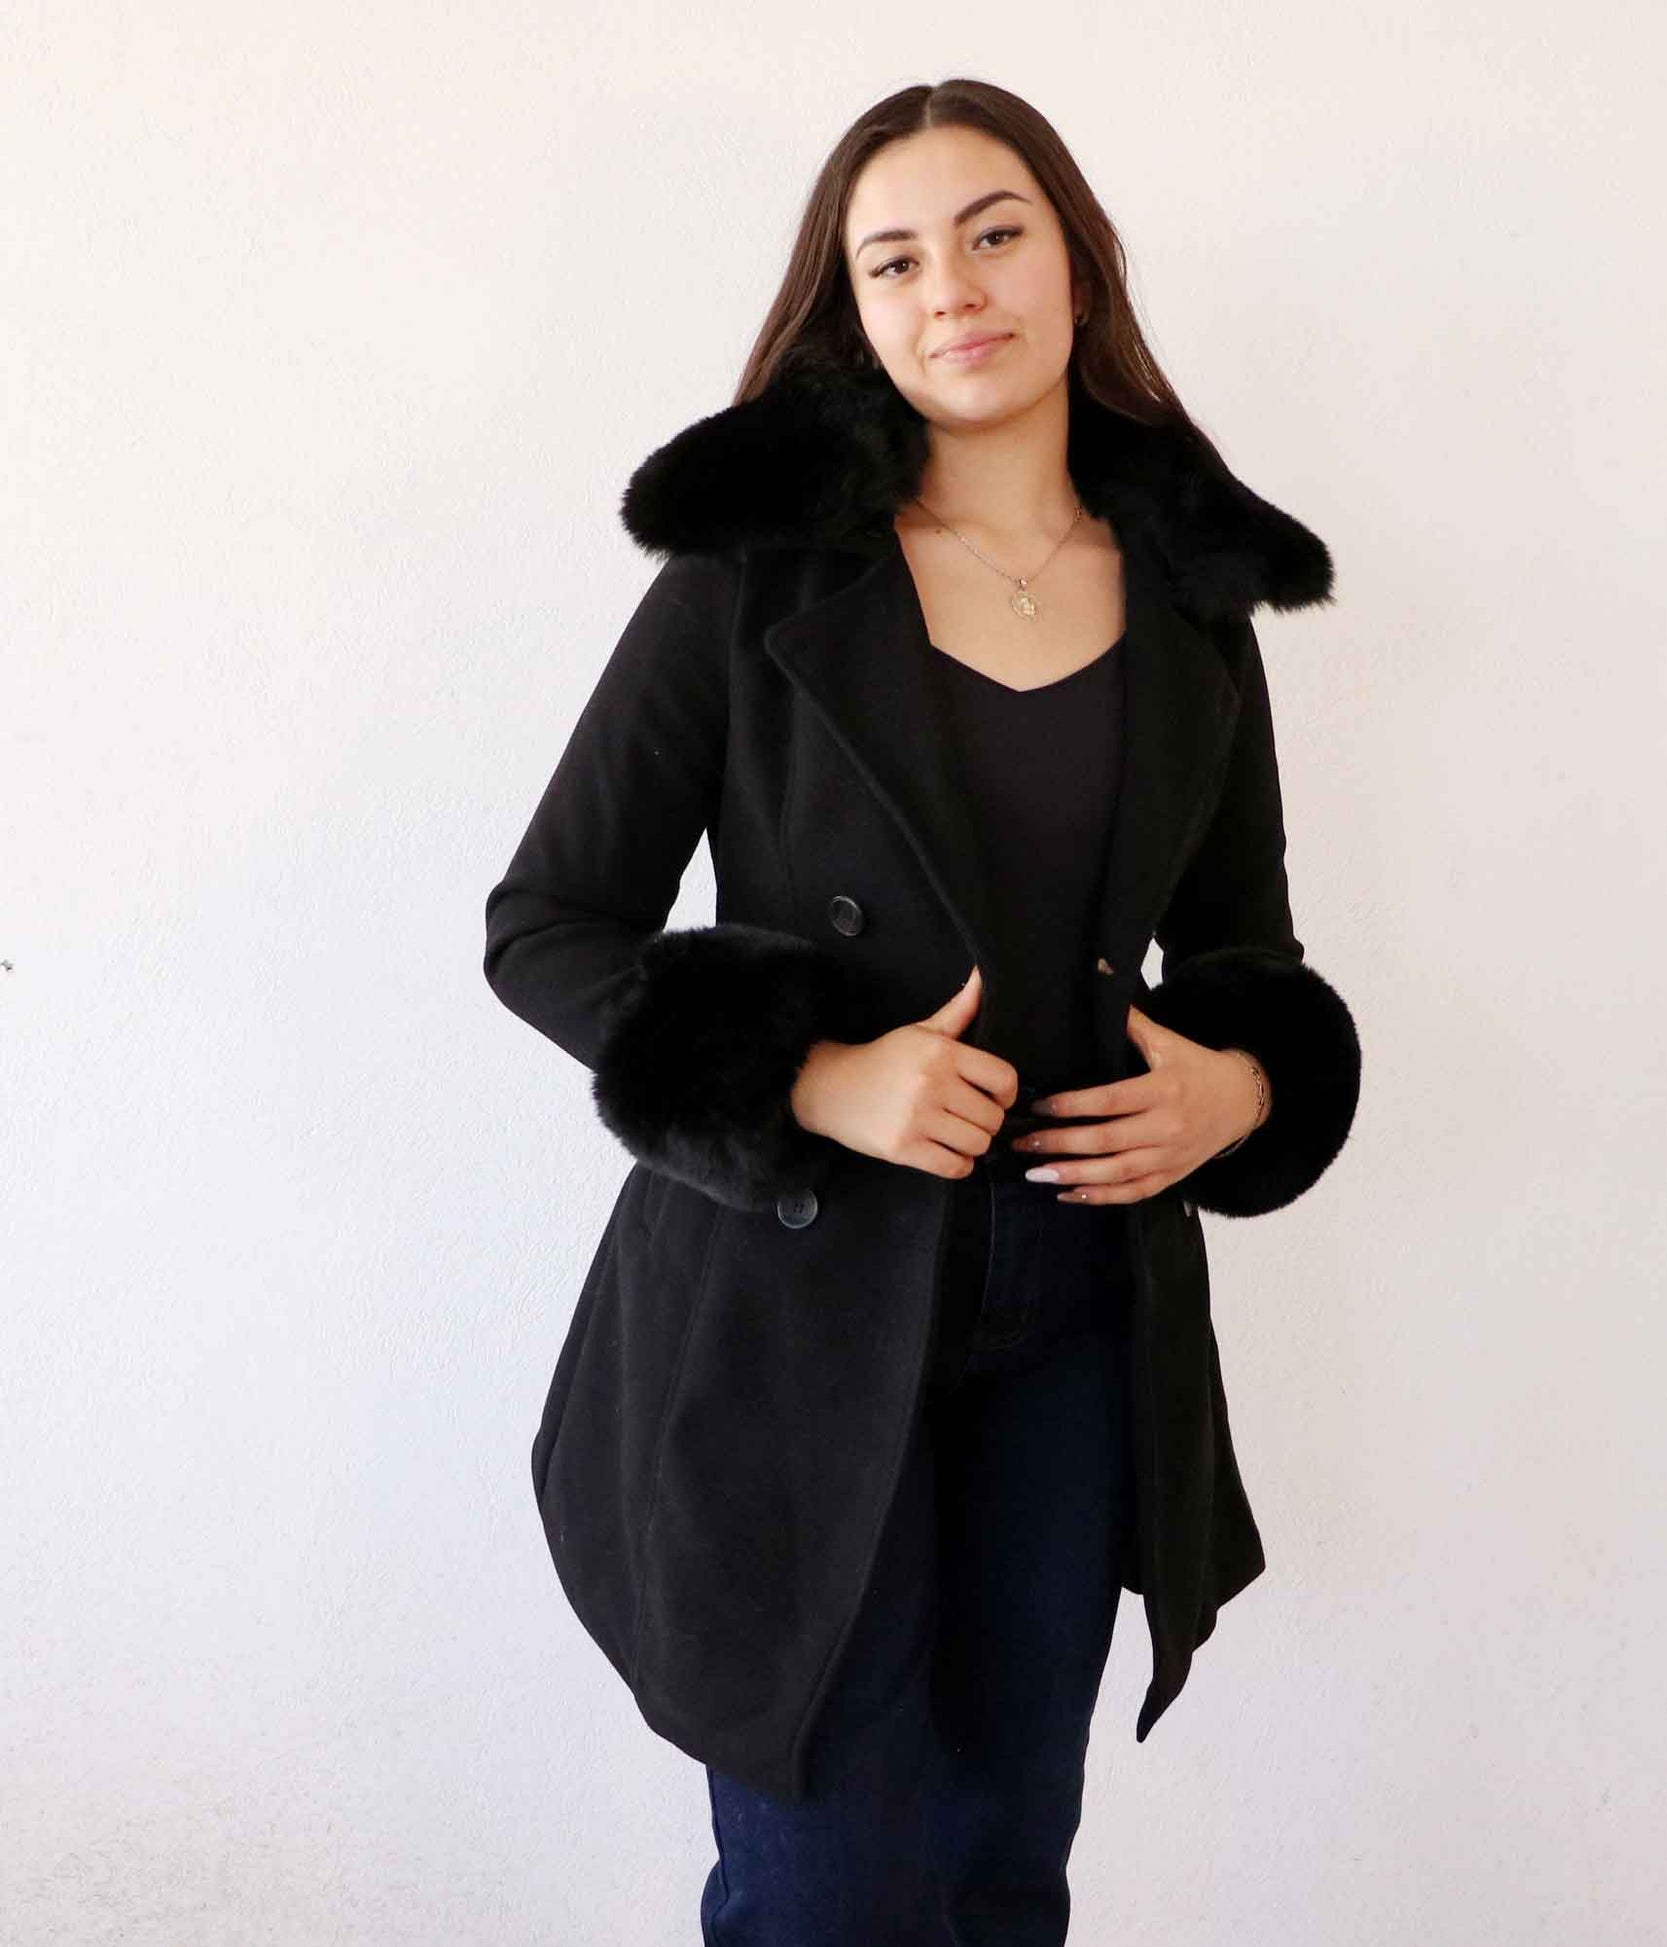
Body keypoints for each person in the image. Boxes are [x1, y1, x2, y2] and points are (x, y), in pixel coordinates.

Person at [483, 77, 1361, 1946]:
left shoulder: (1193, 603)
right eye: (892, 259)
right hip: (792, 1309)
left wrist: (1235, 1093)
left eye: (992, 234)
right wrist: (812, 1077)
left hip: (1077, 1313)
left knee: (999, 1874)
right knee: (826, 1896)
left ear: (1074, 263)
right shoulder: (753, 580)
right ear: (852, 308)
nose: (950, 288)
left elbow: (1249, 948)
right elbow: (545, 923)